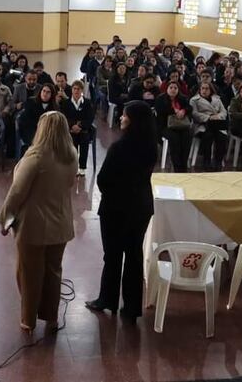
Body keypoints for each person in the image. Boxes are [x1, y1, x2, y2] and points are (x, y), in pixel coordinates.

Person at [0, 112, 77, 333]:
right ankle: (51, 317)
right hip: (61, 223)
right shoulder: (71, 155)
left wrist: (5, 218)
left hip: (34, 225)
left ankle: (28, 320)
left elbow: (17, 192)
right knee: (54, 272)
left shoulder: (35, 157)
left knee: (29, 273)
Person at [86, 101, 157, 321]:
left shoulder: (119, 147)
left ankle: (108, 299)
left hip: (116, 209)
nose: (121, 118)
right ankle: (132, 308)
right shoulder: (151, 146)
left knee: (113, 256)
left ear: (133, 120)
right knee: (134, 255)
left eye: (125, 115)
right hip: (141, 207)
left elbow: (104, 179)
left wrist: (111, 192)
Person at [154, 81, 192, 173]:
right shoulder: (160, 99)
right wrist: (174, 111)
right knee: (174, 138)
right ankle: (177, 166)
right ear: (167, 89)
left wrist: (183, 111)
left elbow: (190, 108)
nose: (173, 90)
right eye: (171, 87)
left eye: (175, 88)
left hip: (181, 125)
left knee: (187, 136)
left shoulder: (182, 98)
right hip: (165, 126)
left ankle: (184, 164)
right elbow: (160, 111)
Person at [190, 82, 228, 170]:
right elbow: (194, 114)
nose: (204, 90)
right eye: (202, 88)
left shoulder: (217, 99)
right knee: (208, 136)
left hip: (217, 123)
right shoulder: (194, 100)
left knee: (222, 137)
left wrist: (218, 116)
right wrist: (209, 117)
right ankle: (206, 161)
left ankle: (218, 161)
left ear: (210, 90)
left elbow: (224, 111)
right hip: (202, 124)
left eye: (207, 89)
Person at [61, 80, 94, 176]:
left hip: (83, 130)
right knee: (72, 143)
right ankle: (73, 166)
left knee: (84, 141)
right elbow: (64, 117)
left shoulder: (87, 103)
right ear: (71, 90)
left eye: (78, 89)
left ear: (82, 90)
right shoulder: (66, 103)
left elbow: (90, 118)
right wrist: (72, 126)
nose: (76, 91)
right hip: (70, 129)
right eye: (74, 89)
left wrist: (80, 126)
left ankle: (82, 167)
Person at [20, 84, 59, 148]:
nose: (45, 94)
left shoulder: (55, 107)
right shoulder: (31, 102)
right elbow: (25, 120)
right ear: (40, 92)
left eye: (48, 92)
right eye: (43, 91)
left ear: (52, 95)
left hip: (47, 132)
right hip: (32, 131)